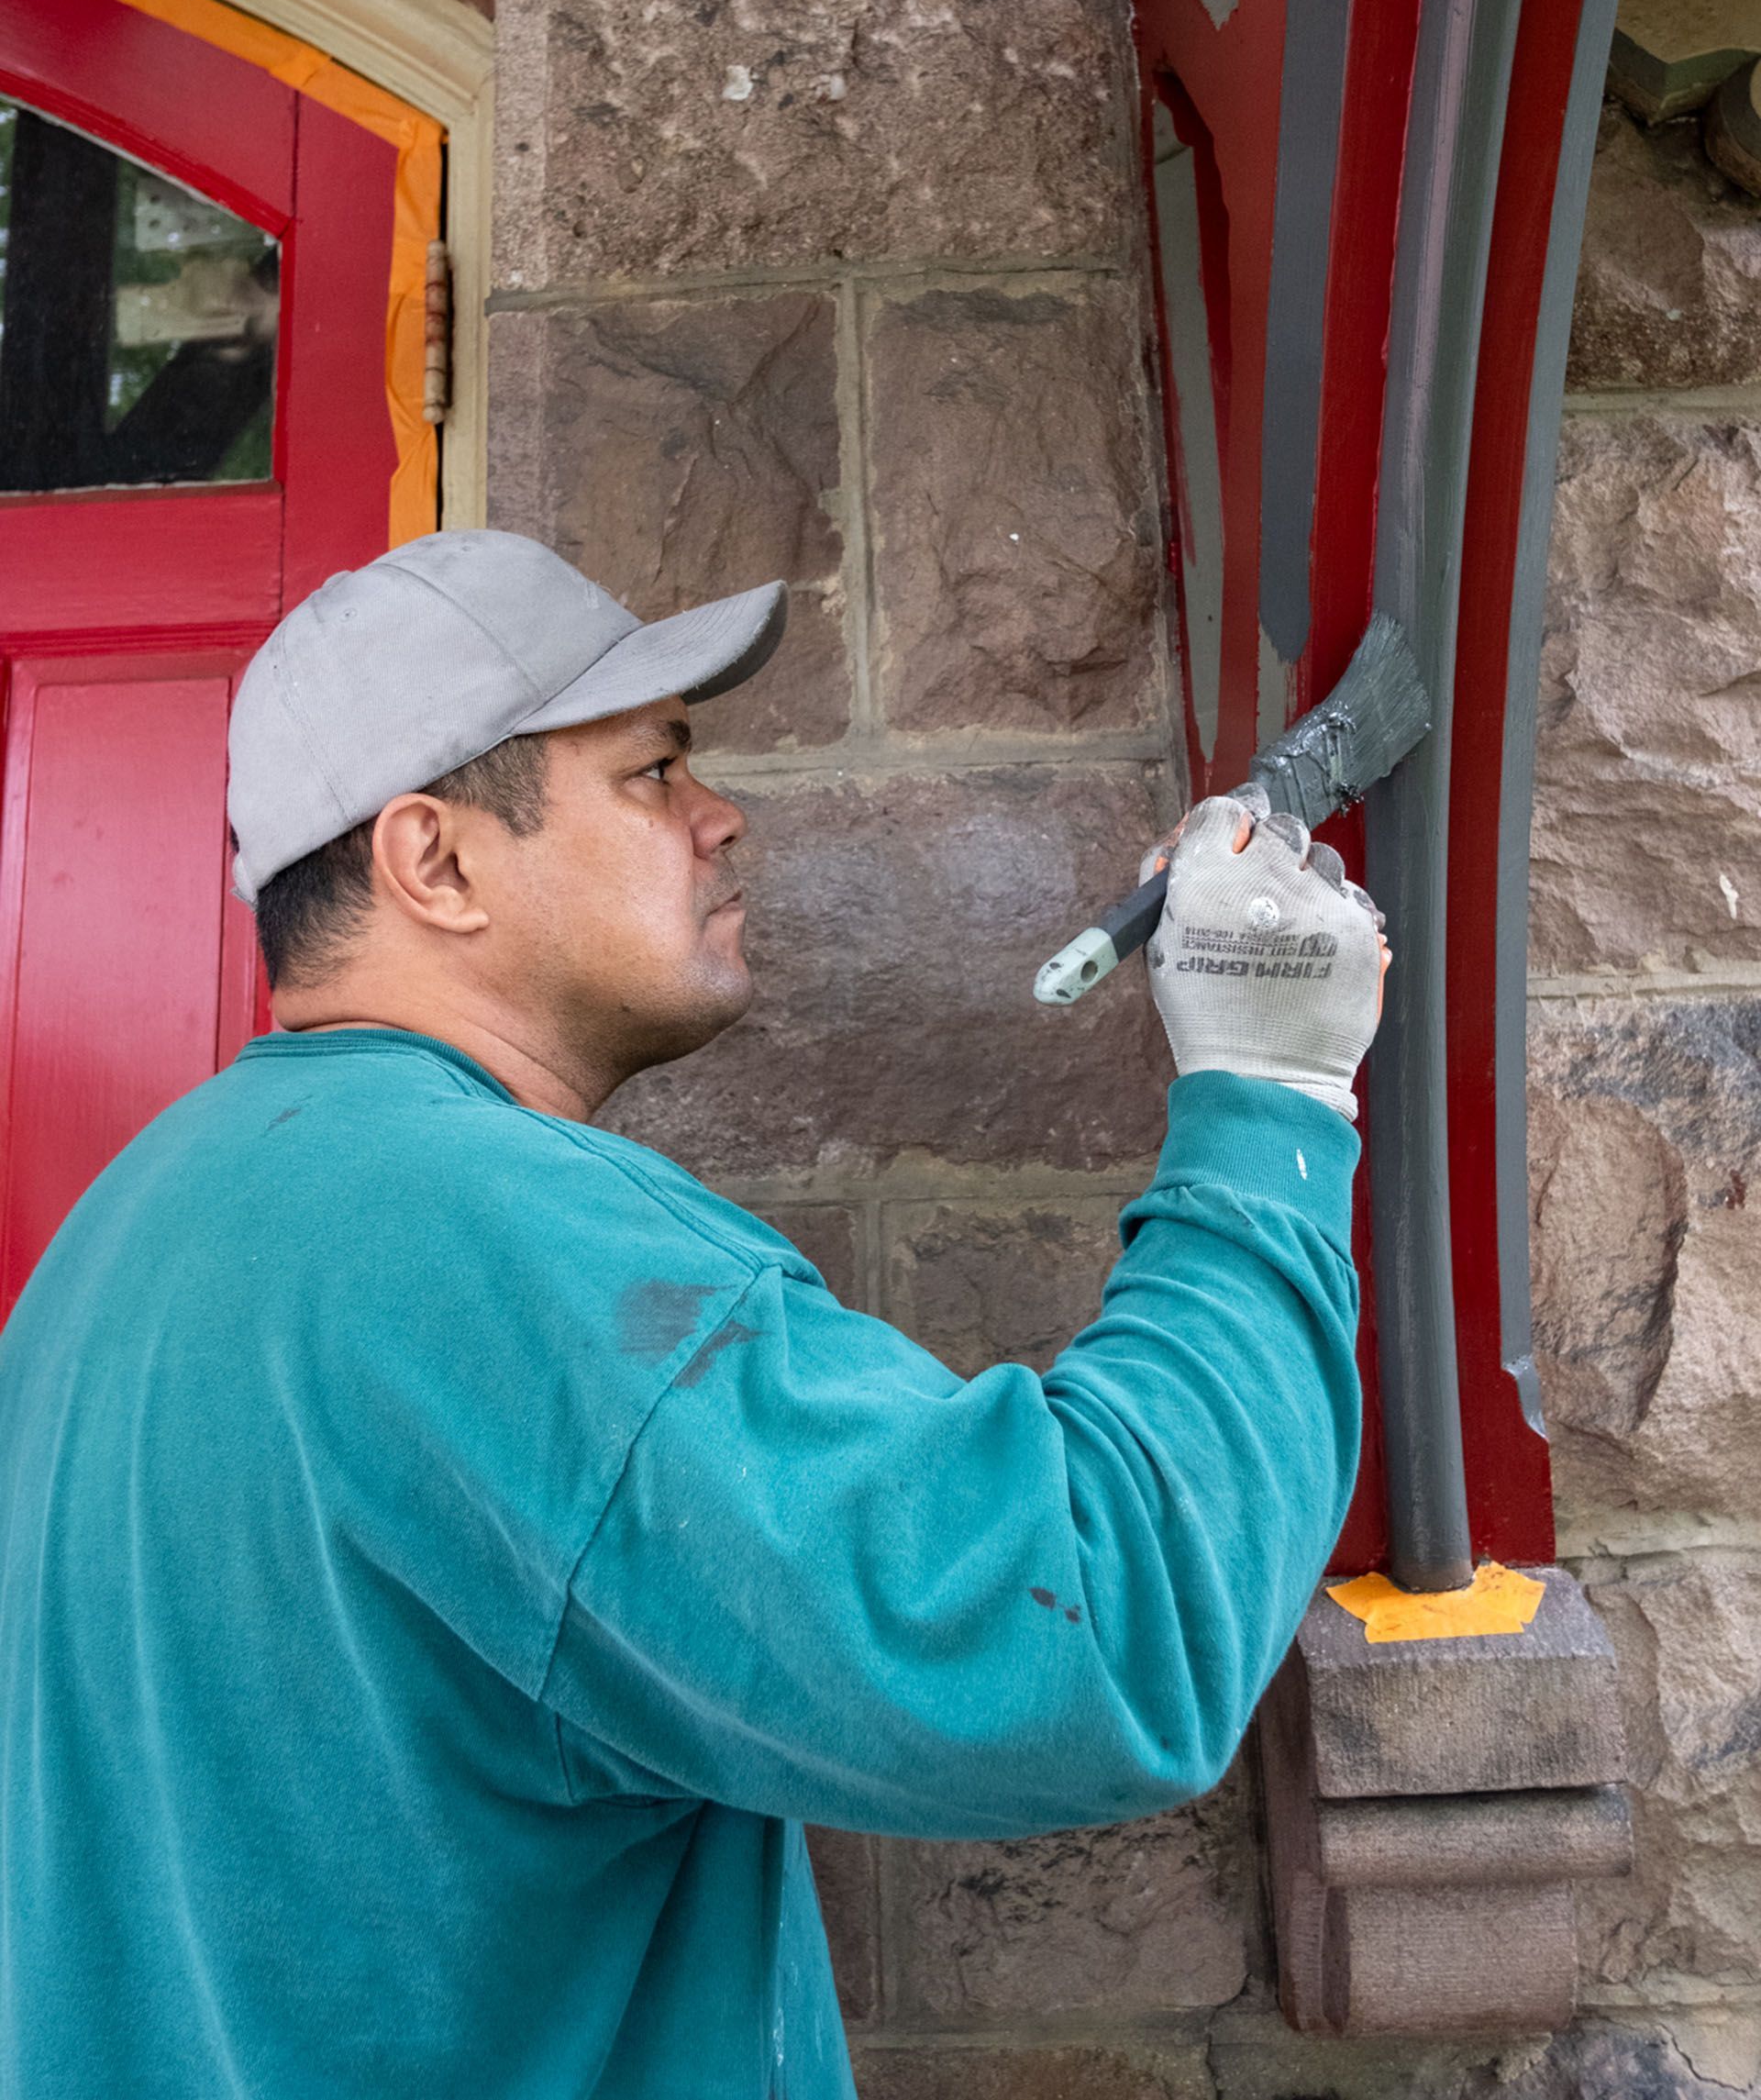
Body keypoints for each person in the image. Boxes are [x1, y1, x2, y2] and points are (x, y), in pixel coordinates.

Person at [0, 528, 1386, 2099]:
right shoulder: (500, 1243)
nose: (720, 814)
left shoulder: (111, 1245)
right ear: (434, 861)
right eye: (653, 770)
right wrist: (1269, 1095)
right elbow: (1110, 1629)